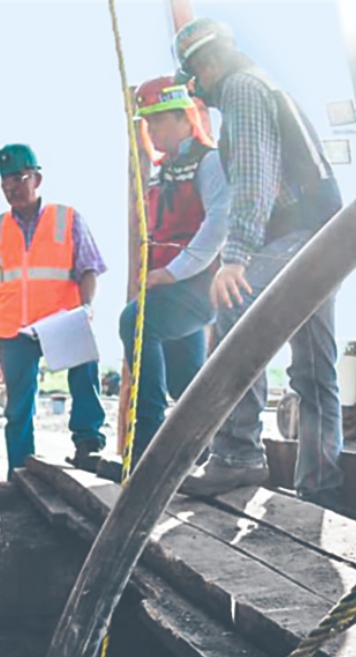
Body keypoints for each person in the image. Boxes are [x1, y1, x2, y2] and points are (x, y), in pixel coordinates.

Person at [173, 19, 344, 506]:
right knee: (314, 367)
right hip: (327, 237)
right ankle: (320, 485)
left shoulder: (243, 88)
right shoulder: (269, 85)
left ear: (204, 65)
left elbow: (253, 177)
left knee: (234, 310)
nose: (201, 91)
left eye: (196, 79)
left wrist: (237, 257)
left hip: (296, 234)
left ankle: (237, 454)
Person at [0, 144, 108, 475]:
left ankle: (87, 445)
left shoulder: (67, 219)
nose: (10, 188)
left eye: (18, 178)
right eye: (4, 182)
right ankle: (21, 469)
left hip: (62, 320)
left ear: (37, 178)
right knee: (18, 408)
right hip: (14, 330)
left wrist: (85, 309)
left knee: (85, 373)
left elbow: (89, 268)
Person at [120, 77, 228, 463]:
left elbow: (218, 224)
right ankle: (201, 457)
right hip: (166, 284)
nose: (153, 129)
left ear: (185, 119)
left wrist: (173, 273)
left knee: (136, 321)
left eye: (160, 120)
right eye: (148, 123)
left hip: (196, 284)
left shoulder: (209, 161)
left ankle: (146, 448)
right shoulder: (160, 171)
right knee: (187, 382)